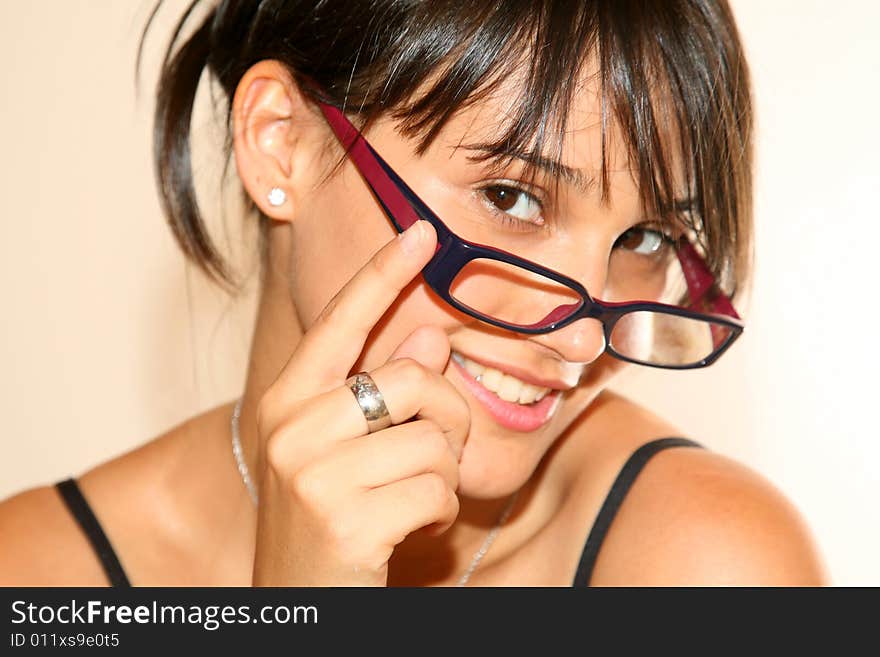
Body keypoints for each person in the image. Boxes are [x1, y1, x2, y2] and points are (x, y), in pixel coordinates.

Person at [0, 0, 827, 586]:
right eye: (511, 197)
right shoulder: (37, 578)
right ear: (279, 144)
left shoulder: (705, 563)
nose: (581, 339)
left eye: (643, 240)